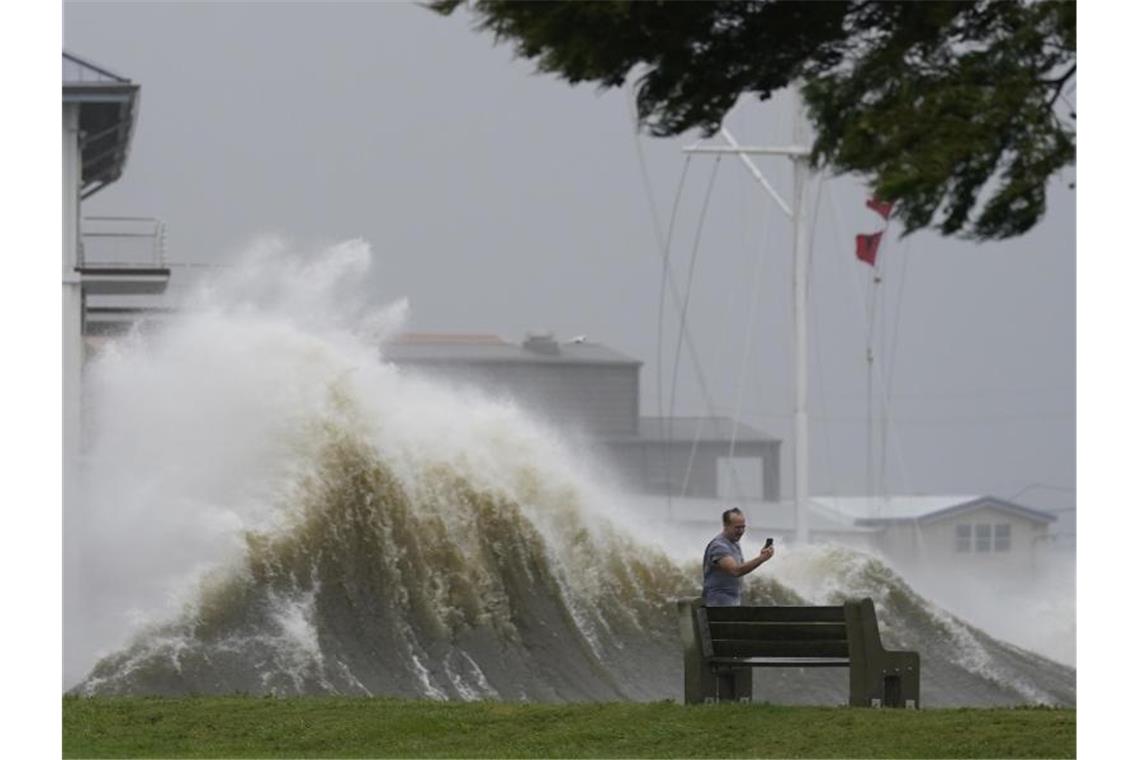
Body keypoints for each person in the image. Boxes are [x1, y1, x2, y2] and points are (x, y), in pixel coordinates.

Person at [702, 507, 775, 606]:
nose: (741, 531)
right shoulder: (719, 546)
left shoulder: (734, 543)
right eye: (737, 527)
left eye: (743, 527)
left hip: (731, 603)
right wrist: (761, 558)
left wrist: (761, 556)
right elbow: (735, 571)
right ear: (726, 526)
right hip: (717, 605)